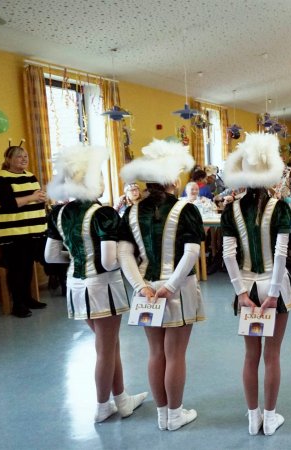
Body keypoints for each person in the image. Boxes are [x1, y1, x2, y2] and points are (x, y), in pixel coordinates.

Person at [44, 145, 148, 423]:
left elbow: (50, 256)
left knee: (109, 345)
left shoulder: (58, 213)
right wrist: (129, 262)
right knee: (105, 349)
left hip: (76, 285)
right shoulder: (103, 214)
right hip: (102, 287)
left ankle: (122, 400)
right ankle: (103, 406)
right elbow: (109, 261)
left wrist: (78, 256)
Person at [117, 139, 205, 431]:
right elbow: (191, 253)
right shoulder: (186, 209)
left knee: (155, 352)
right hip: (178, 289)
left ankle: (162, 414)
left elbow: (124, 254)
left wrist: (140, 287)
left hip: (146, 288)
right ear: (172, 179)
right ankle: (175, 414)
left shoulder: (131, 211)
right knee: (175, 354)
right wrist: (171, 286)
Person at [221, 132, 291, 436]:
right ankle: (270, 416)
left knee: (250, 355)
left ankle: (253, 418)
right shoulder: (280, 207)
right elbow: (280, 253)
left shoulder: (231, 209)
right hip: (274, 286)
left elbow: (228, 255)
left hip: (246, 286)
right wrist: (274, 293)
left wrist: (241, 292)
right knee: (272, 355)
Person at [0, 140, 48, 318]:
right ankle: (18, 304)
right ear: (8, 160)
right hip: (12, 233)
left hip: (31, 231)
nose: (24, 159)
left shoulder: (30, 176)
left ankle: (27, 298)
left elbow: (34, 198)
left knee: (27, 267)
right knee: (16, 269)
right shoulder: (1, 179)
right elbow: (8, 204)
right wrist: (32, 197)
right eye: (19, 156)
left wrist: (41, 198)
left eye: (26, 156)